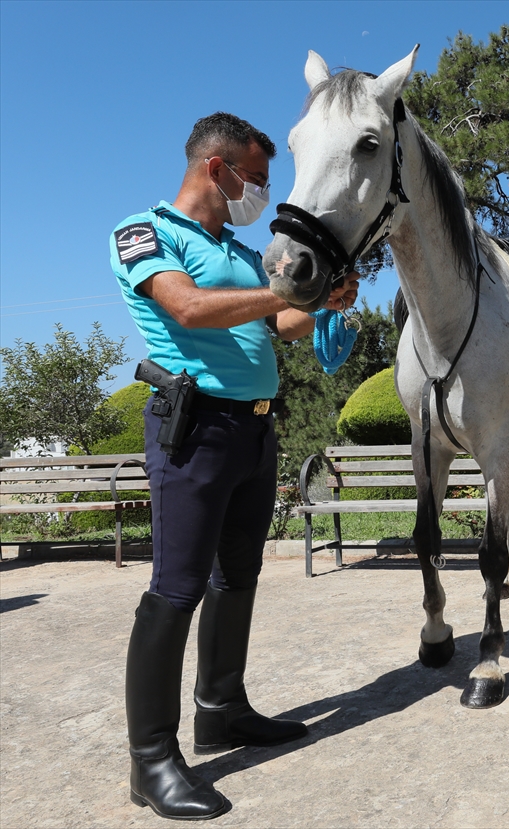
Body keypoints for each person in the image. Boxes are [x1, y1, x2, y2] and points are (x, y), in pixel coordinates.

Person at [109, 112, 359, 820]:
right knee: (175, 588)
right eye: (256, 177)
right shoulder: (147, 232)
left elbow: (275, 324)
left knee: (236, 577)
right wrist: (288, 291)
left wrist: (321, 301)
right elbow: (186, 308)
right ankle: (151, 760)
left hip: (253, 430)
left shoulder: (242, 251)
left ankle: (221, 707)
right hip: (195, 429)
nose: (261, 192)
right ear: (216, 169)